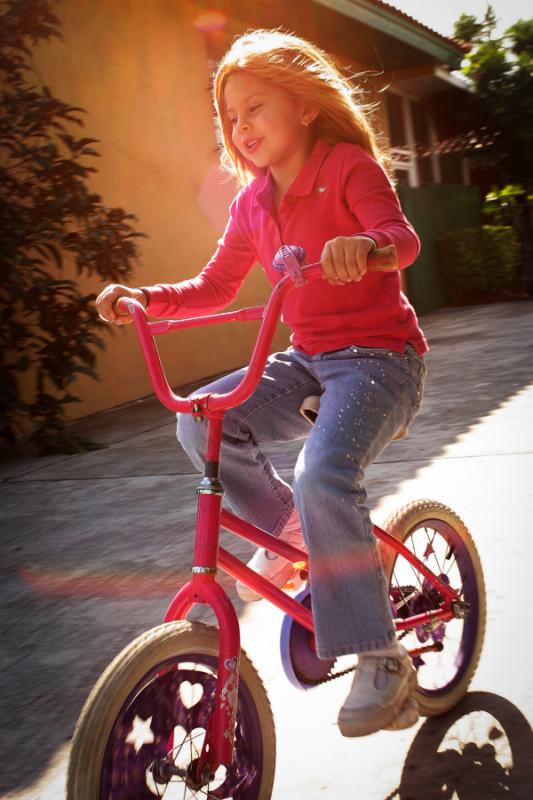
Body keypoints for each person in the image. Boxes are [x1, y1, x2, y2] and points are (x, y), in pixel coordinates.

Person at [96, 29, 427, 737]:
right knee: (201, 418)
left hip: (380, 360)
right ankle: (290, 534)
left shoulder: (346, 168)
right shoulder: (252, 204)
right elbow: (213, 286)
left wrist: (364, 249)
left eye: (255, 108)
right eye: (230, 118)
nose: (241, 128)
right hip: (309, 359)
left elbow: (401, 239)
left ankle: (380, 655)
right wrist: (146, 298)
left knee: (323, 476)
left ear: (304, 106)